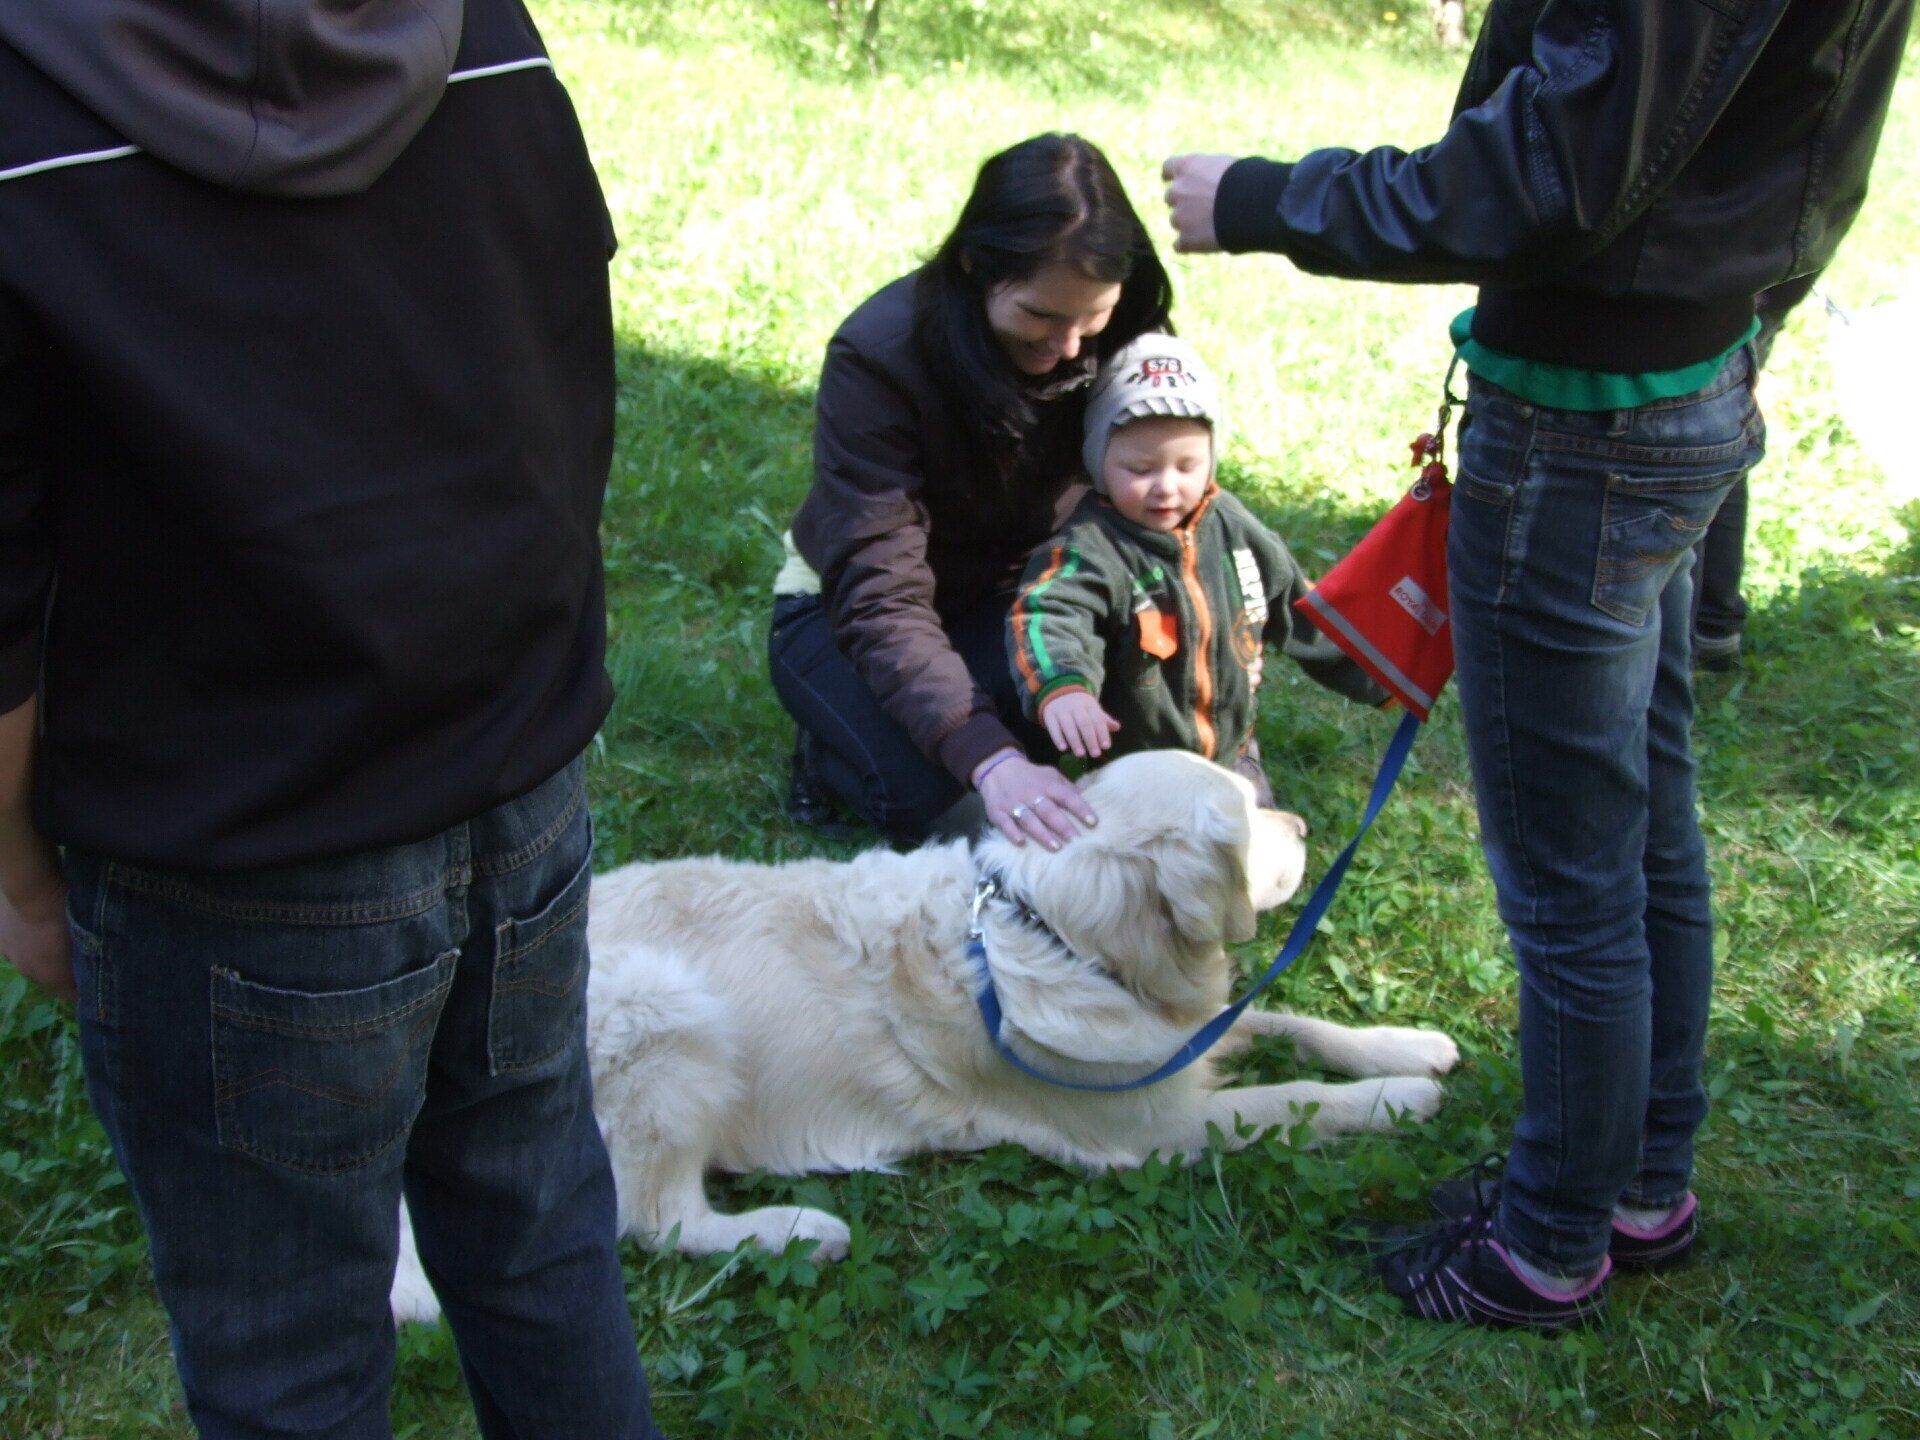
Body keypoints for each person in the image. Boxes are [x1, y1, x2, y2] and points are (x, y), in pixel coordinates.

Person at [1164, 0, 1912, 1329]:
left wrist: (1268, 201)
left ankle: (1550, 1243)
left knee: (1575, 882)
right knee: (1642, 824)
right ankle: (1635, 1185)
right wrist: (1736, 327)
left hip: (1591, 424)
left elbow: (1550, 175)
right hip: (1689, 373)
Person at [0, 4, 660, 1435]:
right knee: (540, 1233)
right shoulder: (471, 20)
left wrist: (16, 875)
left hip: (239, 847)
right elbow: (567, 318)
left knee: (288, 1353)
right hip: (513, 767)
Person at [769, 132, 1173, 851]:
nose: (1072, 346)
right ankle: (830, 750)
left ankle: (974, 726)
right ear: (974, 264)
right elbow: (880, 592)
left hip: (1018, 594)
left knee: (1119, 689)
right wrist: (989, 759)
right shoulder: (879, 356)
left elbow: (1168, 502)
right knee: (940, 802)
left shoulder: (1130, 331)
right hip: (845, 610)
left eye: (1094, 316)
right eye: (1041, 318)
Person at [1008, 332, 1386, 805]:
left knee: (1245, 861)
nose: (1166, 487)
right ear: (1099, 461)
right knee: (1141, 869)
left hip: (1231, 754)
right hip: (1134, 769)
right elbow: (1048, 614)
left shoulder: (1234, 529)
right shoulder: (1090, 547)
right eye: (1140, 469)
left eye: (1187, 466)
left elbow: (1301, 609)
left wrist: (1383, 674)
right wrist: (1063, 687)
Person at [1692, 274, 1819, 671]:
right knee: (1713, 427)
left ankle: (1696, 633)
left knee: (1696, 430)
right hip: (1762, 257)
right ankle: (1712, 625)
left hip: (1724, 271)